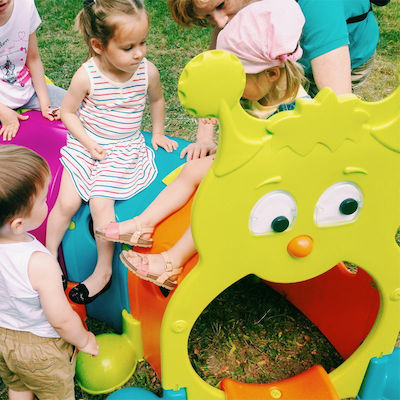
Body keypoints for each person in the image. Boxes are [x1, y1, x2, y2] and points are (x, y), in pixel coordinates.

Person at [96, 0, 307, 290]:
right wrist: (212, 142)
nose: (233, 86)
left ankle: (172, 262)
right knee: (193, 170)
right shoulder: (262, 93)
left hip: (283, 182)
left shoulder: (294, 108)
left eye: (239, 78)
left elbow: (292, 155)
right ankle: (143, 223)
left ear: (270, 73)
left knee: (219, 196)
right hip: (256, 165)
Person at [46, 0, 178, 305]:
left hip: (122, 150)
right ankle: (49, 255)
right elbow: (68, 113)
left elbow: (157, 101)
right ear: (99, 45)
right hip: (86, 145)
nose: (140, 52)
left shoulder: (147, 72)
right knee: (66, 201)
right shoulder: (86, 76)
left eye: (143, 42)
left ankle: (102, 272)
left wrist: (157, 133)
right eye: (129, 46)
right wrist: (88, 143)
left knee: (99, 202)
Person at [169, 0, 380, 159]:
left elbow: (338, 108)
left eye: (222, 4)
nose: (220, 21)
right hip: (279, 65)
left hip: (346, 52)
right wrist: (204, 139)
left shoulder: (319, 6)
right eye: (207, 17)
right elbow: (218, 70)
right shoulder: (230, 15)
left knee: (317, 130)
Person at [0, 145, 98, 400]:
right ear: (18, 224)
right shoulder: (40, 263)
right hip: (40, 347)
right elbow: (61, 320)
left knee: (18, 384)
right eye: (43, 200)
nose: (47, 202)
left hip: (2, 339)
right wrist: (84, 340)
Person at [0, 0, 66, 141]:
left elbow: (33, 59)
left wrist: (46, 105)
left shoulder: (25, 5)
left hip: (25, 89)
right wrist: (2, 112)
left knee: (80, 107)